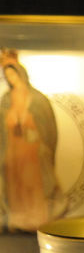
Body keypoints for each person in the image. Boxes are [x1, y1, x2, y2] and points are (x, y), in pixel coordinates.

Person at [0, 49, 60, 231]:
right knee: (15, 184)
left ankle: (37, 219)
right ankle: (17, 219)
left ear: (21, 74)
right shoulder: (6, 99)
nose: (11, 78)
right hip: (13, 149)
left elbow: (48, 127)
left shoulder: (37, 99)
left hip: (32, 149)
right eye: (7, 75)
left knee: (32, 183)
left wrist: (39, 139)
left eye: (13, 74)